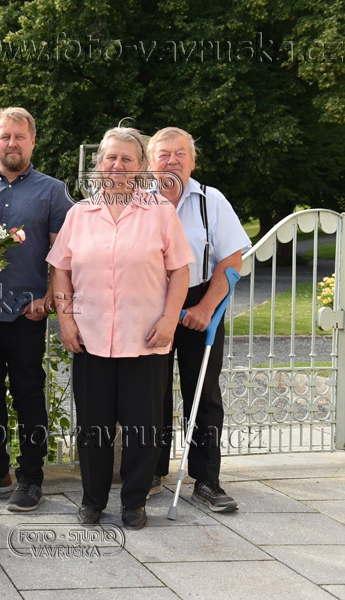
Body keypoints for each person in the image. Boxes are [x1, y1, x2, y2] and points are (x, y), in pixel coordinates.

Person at [47, 127, 193, 529]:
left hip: (145, 337)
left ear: (141, 167)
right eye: (110, 158)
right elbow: (60, 269)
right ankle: (92, 501)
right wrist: (66, 319)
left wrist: (169, 320)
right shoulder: (79, 214)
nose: (117, 166)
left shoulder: (160, 212)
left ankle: (134, 502)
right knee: (93, 427)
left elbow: (180, 271)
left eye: (127, 159)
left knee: (144, 427)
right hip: (90, 339)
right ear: (98, 165)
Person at [0, 107, 72, 511]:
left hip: (27, 313)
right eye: (5, 136)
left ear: (32, 141)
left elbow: (64, 255)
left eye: (19, 136)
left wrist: (48, 299)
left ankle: (31, 477)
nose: (12, 143)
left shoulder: (53, 191)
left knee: (28, 395)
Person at [147, 127, 251, 511]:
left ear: (192, 161)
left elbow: (232, 259)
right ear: (149, 161)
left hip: (199, 302)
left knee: (203, 394)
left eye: (181, 154)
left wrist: (205, 309)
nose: (172, 160)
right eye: (163, 154)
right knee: (150, 392)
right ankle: (149, 474)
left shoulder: (212, 200)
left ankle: (207, 480)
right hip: (149, 304)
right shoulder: (137, 200)